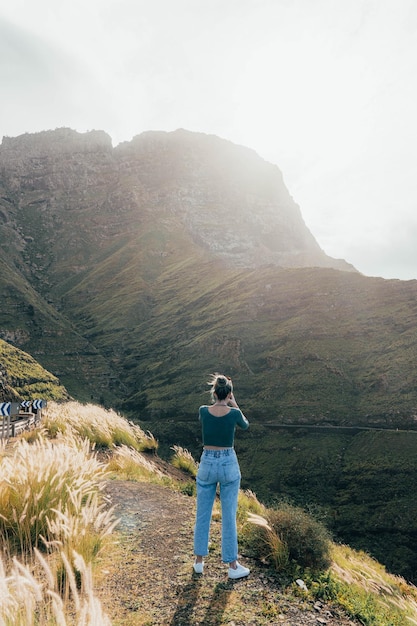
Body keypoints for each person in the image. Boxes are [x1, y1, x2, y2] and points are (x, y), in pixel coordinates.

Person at [193, 373, 250, 579]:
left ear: (214, 392)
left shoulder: (203, 411)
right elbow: (245, 424)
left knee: (203, 513)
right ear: (229, 393)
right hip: (228, 463)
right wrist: (234, 403)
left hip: (207, 462)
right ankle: (232, 566)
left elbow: (209, 418)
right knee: (228, 515)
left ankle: (199, 561)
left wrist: (224, 400)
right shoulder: (234, 414)